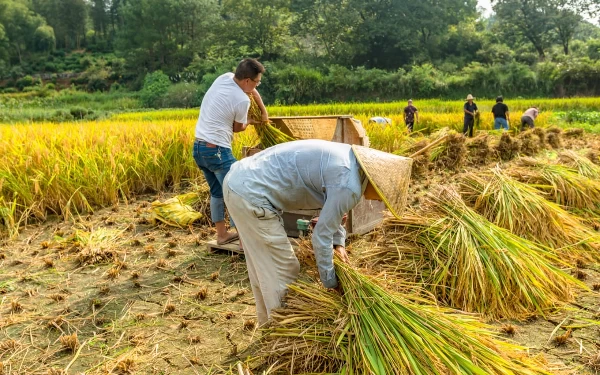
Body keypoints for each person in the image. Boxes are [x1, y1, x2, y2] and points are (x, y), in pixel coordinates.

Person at [223, 140, 412, 325]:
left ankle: (267, 324)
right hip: (251, 194)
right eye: (383, 195)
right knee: (283, 269)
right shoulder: (349, 186)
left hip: (240, 181)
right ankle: (283, 330)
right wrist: (331, 282)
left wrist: (339, 244)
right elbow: (320, 237)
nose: (380, 201)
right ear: (376, 181)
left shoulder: (349, 163)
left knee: (262, 266)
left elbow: (333, 210)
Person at [193, 58, 268, 246]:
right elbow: (238, 128)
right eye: (257, 82)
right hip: (217, 150)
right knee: (237, 192)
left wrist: (263, 110)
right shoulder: (242, 100)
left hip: (199, 148)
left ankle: (222, 235)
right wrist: (253, 120)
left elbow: (253, 91)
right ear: (247, 81)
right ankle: (244, 241)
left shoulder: (224, 77)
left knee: (218, 192)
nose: (257, 85)